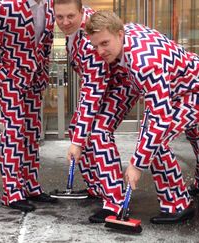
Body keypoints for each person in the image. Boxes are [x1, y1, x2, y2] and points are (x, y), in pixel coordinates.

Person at [85, 10, 199, 224]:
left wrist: (136, 164)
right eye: (95, 46)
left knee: (157, 141)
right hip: (184, 81)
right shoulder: (125, 33)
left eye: (104, 43)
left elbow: (159, 120)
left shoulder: (144, 62)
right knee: (196, 133)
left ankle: (178, 204)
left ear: (119, 34)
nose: (100, 51)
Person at [55, 0, 140, 223]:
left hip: (122, 84)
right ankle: (98, 187)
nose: (65, 22)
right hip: (103, 84)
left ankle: (116, 201)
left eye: (70, 16)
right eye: (59, 17)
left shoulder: (89, 39)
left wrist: (77, 142)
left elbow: (93, 92)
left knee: (98, 131)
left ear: (81, 12)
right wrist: (78, 135)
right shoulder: (75, 29)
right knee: (79, 129)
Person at [0, 0, 58, 213]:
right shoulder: (3, 5)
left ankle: (31, 185)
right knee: (14, 133)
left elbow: (45, 43)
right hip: (9, 79)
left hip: (36, 78)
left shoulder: (50, 5)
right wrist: (1, 77)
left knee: (32, 133)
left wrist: (43, 71)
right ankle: (12, 191)